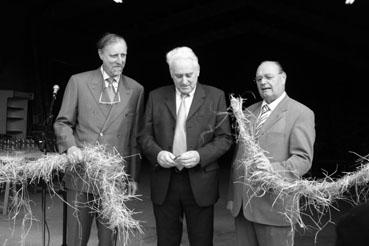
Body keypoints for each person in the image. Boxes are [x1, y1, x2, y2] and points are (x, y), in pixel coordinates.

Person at [54, 33, 144, 246]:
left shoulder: (136, 90)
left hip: (113, 178)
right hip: (81, 174)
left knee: (109, 240)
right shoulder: (79, 82)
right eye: (114, 55)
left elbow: (134, 137)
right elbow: (62, 122)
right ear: (101, 54)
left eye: (124, 55)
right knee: (75, 239)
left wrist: (132, 176)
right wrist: (71, 148)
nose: (120, 61)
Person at [139, 46, 232, 246]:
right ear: (171, 74)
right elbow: (144, 136)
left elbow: (225, 138)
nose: (184, 81)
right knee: (166, 240)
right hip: (165, 181)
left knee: (201, 240)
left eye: (189, 75)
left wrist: (200, 155)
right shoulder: (156, 96)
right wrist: (158, 154)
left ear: (198, 72)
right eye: (178, 75)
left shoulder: (215, 96)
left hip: (201, 180)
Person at [227, 61, 315, 246]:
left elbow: (303, 159)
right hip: (243, 209)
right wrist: (233, 198)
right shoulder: (249, 112)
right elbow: (239, 157)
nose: (263, 82)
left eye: (268, 77)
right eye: (259, 78)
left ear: (283, 78)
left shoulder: (301, 113)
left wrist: (272, 170)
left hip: (274, 208)